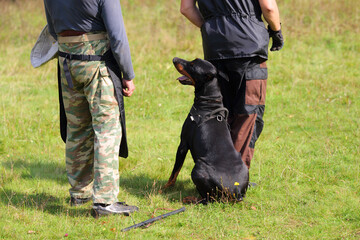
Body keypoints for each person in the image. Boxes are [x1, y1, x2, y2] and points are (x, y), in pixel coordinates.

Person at [43, 0, 138, 217]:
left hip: (67, 62)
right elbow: (117, 36)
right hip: (97, 63)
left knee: (77, 128)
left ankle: (80, 193)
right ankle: (105, 202)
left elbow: (52, 29)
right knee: (107, 130)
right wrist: (128, 74)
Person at [179, 0, 284, 169]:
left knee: (220, 113)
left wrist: (210, 27)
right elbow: (269, 7)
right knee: (247, 114)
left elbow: (186, 8)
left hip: (215, 49)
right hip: (250, 49)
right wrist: (276, 30)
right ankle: (235, 177)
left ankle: (215, 171)